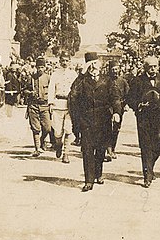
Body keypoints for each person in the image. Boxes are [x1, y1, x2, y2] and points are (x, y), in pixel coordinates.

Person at [69, 52, 123, 192]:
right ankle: (89, 180)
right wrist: (81, 74)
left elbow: (115, 98)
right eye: (90, 64)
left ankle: (98, 174)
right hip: (86, 120)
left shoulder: (107, 80)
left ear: (99, 64)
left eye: (95, 63)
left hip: (103, 119)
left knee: (100, 150)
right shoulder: (81, 81)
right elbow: (73, 97)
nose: (93, 67)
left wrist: (117, 112)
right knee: (87, 151)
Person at [127, 56, 160, 188]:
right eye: (150, 67)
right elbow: (130, 98)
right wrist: (138, 105)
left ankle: (150, 167)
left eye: (155, 66)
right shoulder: (138, 81)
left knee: (159, 145)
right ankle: (147, 175)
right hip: (144, 118)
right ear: (145, 68)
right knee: (146, 146)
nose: (153, 69)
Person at [48, 52, 78, 163]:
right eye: (63, 60)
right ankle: (58, 144)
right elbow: (51, 89)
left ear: (70, 61)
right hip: (57, 104)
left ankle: (66, 153)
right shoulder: (55, 74)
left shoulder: (74, 74)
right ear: (59, 61)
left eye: (67, 60)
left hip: (69, 105)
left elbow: (76, 90)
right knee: (57, 132)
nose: (65, 63)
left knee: (68, 130)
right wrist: (50, 103)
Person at [23, 57, 51, 156]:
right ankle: (37, 148)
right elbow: (24, 90)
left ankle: (42, 139)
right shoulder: (31, 78)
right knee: (35, 128)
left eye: (42, 67)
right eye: (39, 67)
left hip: (45, 105)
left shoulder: (49, 78)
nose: (40, 69)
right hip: (33, 105)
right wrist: (30, 92)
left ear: (45, 67)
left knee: (47, 128)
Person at [106, 60, 129, 160]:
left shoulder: (122, 81)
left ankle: (113, 148)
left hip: (119, 108)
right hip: (107, 107)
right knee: (106, 128)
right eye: (113, 69)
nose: (115, 71)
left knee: (116, 129)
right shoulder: (106, 80)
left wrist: (127, 104)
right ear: (109, 70)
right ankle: (108, 150)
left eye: (116, 69)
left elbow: (128, 94)